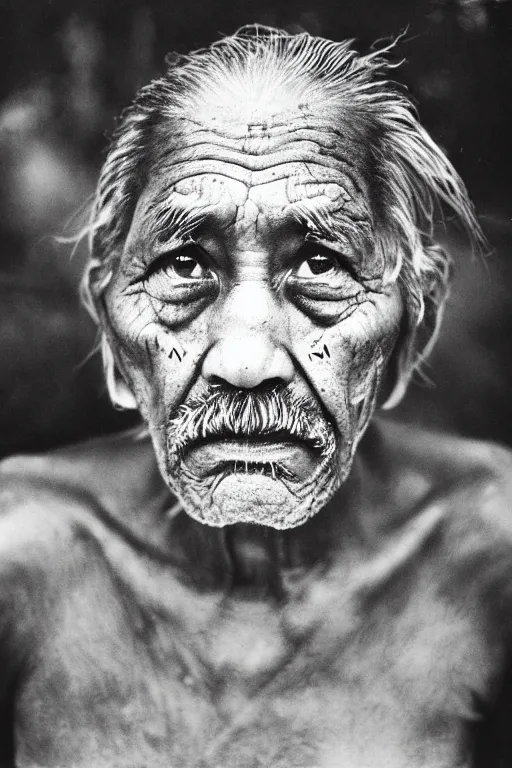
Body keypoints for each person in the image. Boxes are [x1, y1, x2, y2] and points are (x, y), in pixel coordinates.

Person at [1, 25, 511, 768]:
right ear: (113, 337)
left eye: (320, 262)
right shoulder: (20, 559)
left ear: (409, 336)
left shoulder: (489, 556)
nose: (245, 361)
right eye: (182, 263)